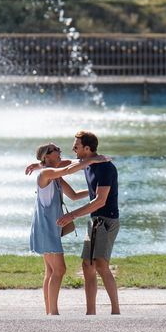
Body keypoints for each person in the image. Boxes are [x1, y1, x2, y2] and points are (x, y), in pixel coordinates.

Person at [28, 142, 108, 315]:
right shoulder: (46, 173)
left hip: (48, 227)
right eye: (56, 150)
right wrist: (93, 159)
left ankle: (49, 311)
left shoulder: (55, 176)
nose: (59, 152)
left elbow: (73, 195)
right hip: (46, 228)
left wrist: (95, 191)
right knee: (59, 269)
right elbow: (68, 168)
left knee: (50, 271)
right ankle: (53, 313)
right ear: (47, 156)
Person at [56, 130, 120, 315]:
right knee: (87, 265)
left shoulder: (105, 167)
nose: (73, 148)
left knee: (100, 265)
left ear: (87, 148)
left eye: (76, 145)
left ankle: (116, 311)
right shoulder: (88, 163)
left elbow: (100, 201)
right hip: (95, 220)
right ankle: (90, 313)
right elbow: (65, 164)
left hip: (106, 220)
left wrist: (71, 215)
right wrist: (39, 165)